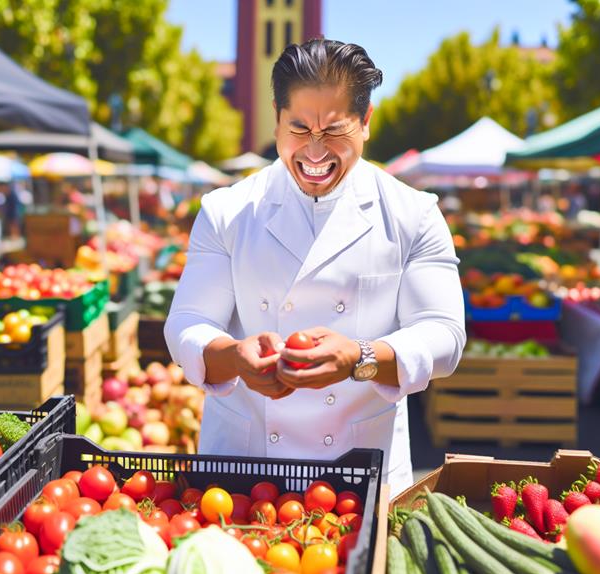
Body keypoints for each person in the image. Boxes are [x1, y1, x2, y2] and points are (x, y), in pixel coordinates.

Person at [164, 38, 466, 491]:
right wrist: (234, 358)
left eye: (335, 130)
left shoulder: (413, 213)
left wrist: (359, 358)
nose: (316, 152)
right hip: (244, 471)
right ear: (277, 119)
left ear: (365, 122)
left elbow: (444, 336)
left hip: (361, 470)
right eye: (300, 128)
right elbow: (186, 323)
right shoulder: (226, 210)